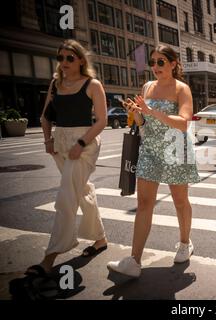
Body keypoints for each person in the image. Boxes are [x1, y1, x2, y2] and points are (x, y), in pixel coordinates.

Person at [107, 45, 200, 277]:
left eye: (161, 62)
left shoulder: (182, 89)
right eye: (153, 62)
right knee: (144, 204)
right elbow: (142, 122)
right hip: (149, 149)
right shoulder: (148, 86)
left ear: (173, 63)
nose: (155, 67)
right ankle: (134, 261)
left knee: (180, 200)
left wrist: (150, 111)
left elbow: (183, 122)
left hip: (174, 148)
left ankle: (185, 243)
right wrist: (136, 112)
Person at [25, 40, 108, 277]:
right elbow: (45, 117)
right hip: (61, 142)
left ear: (81, 60)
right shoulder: (56, 83)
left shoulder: (93, 85)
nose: (64, 62)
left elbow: (101, 121)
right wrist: (48, 140)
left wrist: (81, 144)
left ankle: (49, 257)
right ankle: (100, 239)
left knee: (66, 197)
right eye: (60, 58)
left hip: (84, 143)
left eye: (69, 58)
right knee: (80, 190)